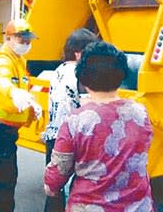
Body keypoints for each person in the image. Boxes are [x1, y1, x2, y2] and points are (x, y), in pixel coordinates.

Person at [44, 41, 155, 211]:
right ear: (122, 75)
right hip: (138, 206)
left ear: (83, 77)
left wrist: (51, 188)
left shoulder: (75, 120)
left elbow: (58, 172)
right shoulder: (141, 113)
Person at [0, 19, 42, 212]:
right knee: (1, 178)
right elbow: (2, 82)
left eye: (28, 40)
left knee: (1, 177)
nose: (26, 44)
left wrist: (32, 103)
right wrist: (13, 93)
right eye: (21, 39)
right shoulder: (2, 60)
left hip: (5, 128)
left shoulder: (18, 60)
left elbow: (22, 86)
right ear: (8, 37)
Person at [43, 28, 99, 212]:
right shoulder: (80, 74)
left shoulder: (58, 70)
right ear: (78, 53)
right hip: (72, 140)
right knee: (75, 191)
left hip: (53, 136)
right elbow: (87, 107)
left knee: (54, 189)